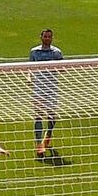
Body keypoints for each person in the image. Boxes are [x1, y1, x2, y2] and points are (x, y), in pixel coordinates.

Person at [28, 29, 63, 157]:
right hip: (38, 88)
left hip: (52, 89)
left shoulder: (56, 53)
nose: (47, 38)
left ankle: (47, 136)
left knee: (52, 117)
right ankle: (39, 146)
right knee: (38, 116)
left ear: (52, 38)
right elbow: (29, 68)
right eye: (45, 36)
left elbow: (62, 69)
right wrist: (29, 78)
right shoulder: (34, 52)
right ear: (41, 37)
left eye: (49, 36)